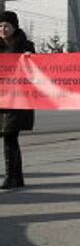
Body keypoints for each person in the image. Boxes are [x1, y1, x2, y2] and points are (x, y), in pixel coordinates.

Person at [0, 11, 34, 190]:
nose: (3, 29)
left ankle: (10, 177)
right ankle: (17, 177)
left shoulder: (25, 46)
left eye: (6, 25)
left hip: (18, 100)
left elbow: (38, 70)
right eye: (0, 26)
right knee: (9, 137)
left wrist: (31, 58)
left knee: (9, 136)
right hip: (1, 99)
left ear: (14, 27)